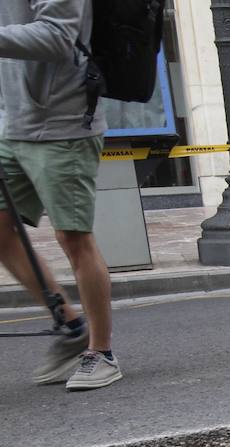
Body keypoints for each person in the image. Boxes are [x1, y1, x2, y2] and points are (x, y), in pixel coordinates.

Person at [0, 0, 120, 390]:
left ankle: (101, 352)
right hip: (12, 125)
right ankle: (70, 324)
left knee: (73, 237)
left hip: (63, 126)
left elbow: (57, 37)